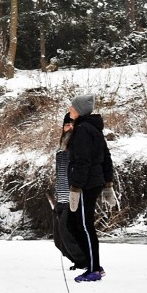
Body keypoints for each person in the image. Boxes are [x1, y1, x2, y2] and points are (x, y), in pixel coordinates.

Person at [65, 94, 115, 283]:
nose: (70, 109)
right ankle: (91, 262)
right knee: (74, 224)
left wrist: (76, 188)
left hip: (86, 185)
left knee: (85, 227)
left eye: (72, 106)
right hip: (91, 183)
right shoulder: (90, 128)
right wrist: (107, 182)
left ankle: (94, 269)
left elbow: (83, 162)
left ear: (79, 110)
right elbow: (106, 156)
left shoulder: (84, 130)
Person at [53, 113, 88, 271]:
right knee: (58, 239)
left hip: (73, 197)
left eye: (73, 125)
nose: (70, 128)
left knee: (66, 231)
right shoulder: (60, 150)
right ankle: (77, 260)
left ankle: (84, 261)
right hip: (60, 198)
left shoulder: (79, 146)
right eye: (67, 125)